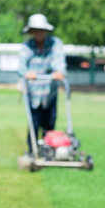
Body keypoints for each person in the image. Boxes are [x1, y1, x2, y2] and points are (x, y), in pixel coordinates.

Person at [18, 13, 66, 154]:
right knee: (33, 123)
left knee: (49, 123)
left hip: (49, 92)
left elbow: (59, 61)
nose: (39, 33)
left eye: (41, 30)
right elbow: (21, 66)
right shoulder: (27, 46)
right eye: (36, 30)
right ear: (31, 31)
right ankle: (32, 151)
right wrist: (27, 73)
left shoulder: (55, 44)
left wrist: (59, 72)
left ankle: (48, 151)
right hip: (32, 93)